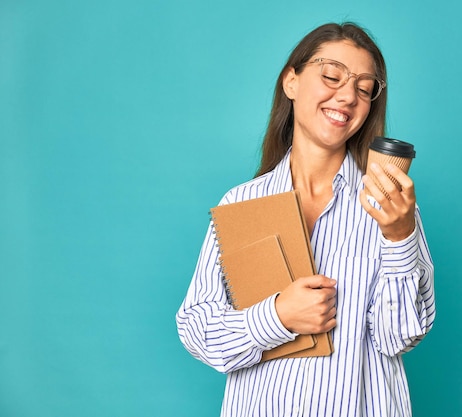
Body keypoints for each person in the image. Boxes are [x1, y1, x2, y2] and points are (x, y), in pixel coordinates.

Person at [176, 22, 435, 417]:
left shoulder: (392, 211)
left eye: (364, 89)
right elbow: (198, 331)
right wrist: (277, 315)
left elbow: (396, 336)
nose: (347, 95)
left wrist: (399, 238)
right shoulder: (241, 204)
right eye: (332, 75)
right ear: (291, 82)